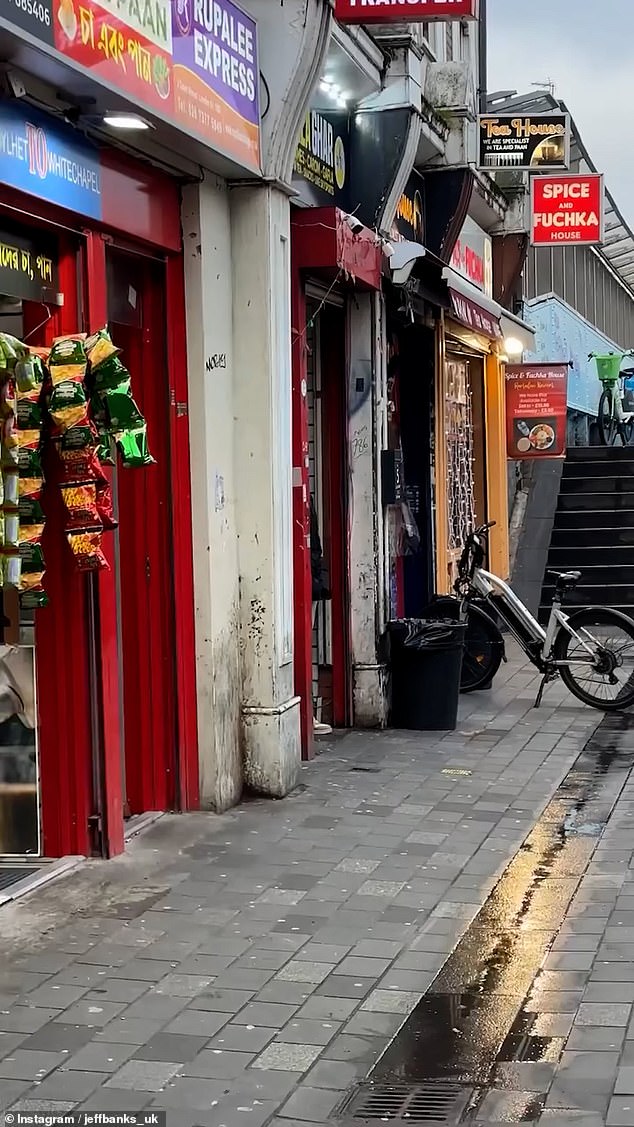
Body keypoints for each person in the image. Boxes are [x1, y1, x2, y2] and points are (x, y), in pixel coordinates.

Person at [310, 494, 332, 735]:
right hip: (300, 582)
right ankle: (308, 713)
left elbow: (314, 546)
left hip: (307, 582)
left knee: (305, 649)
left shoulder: (307, 498)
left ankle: (309, 713)